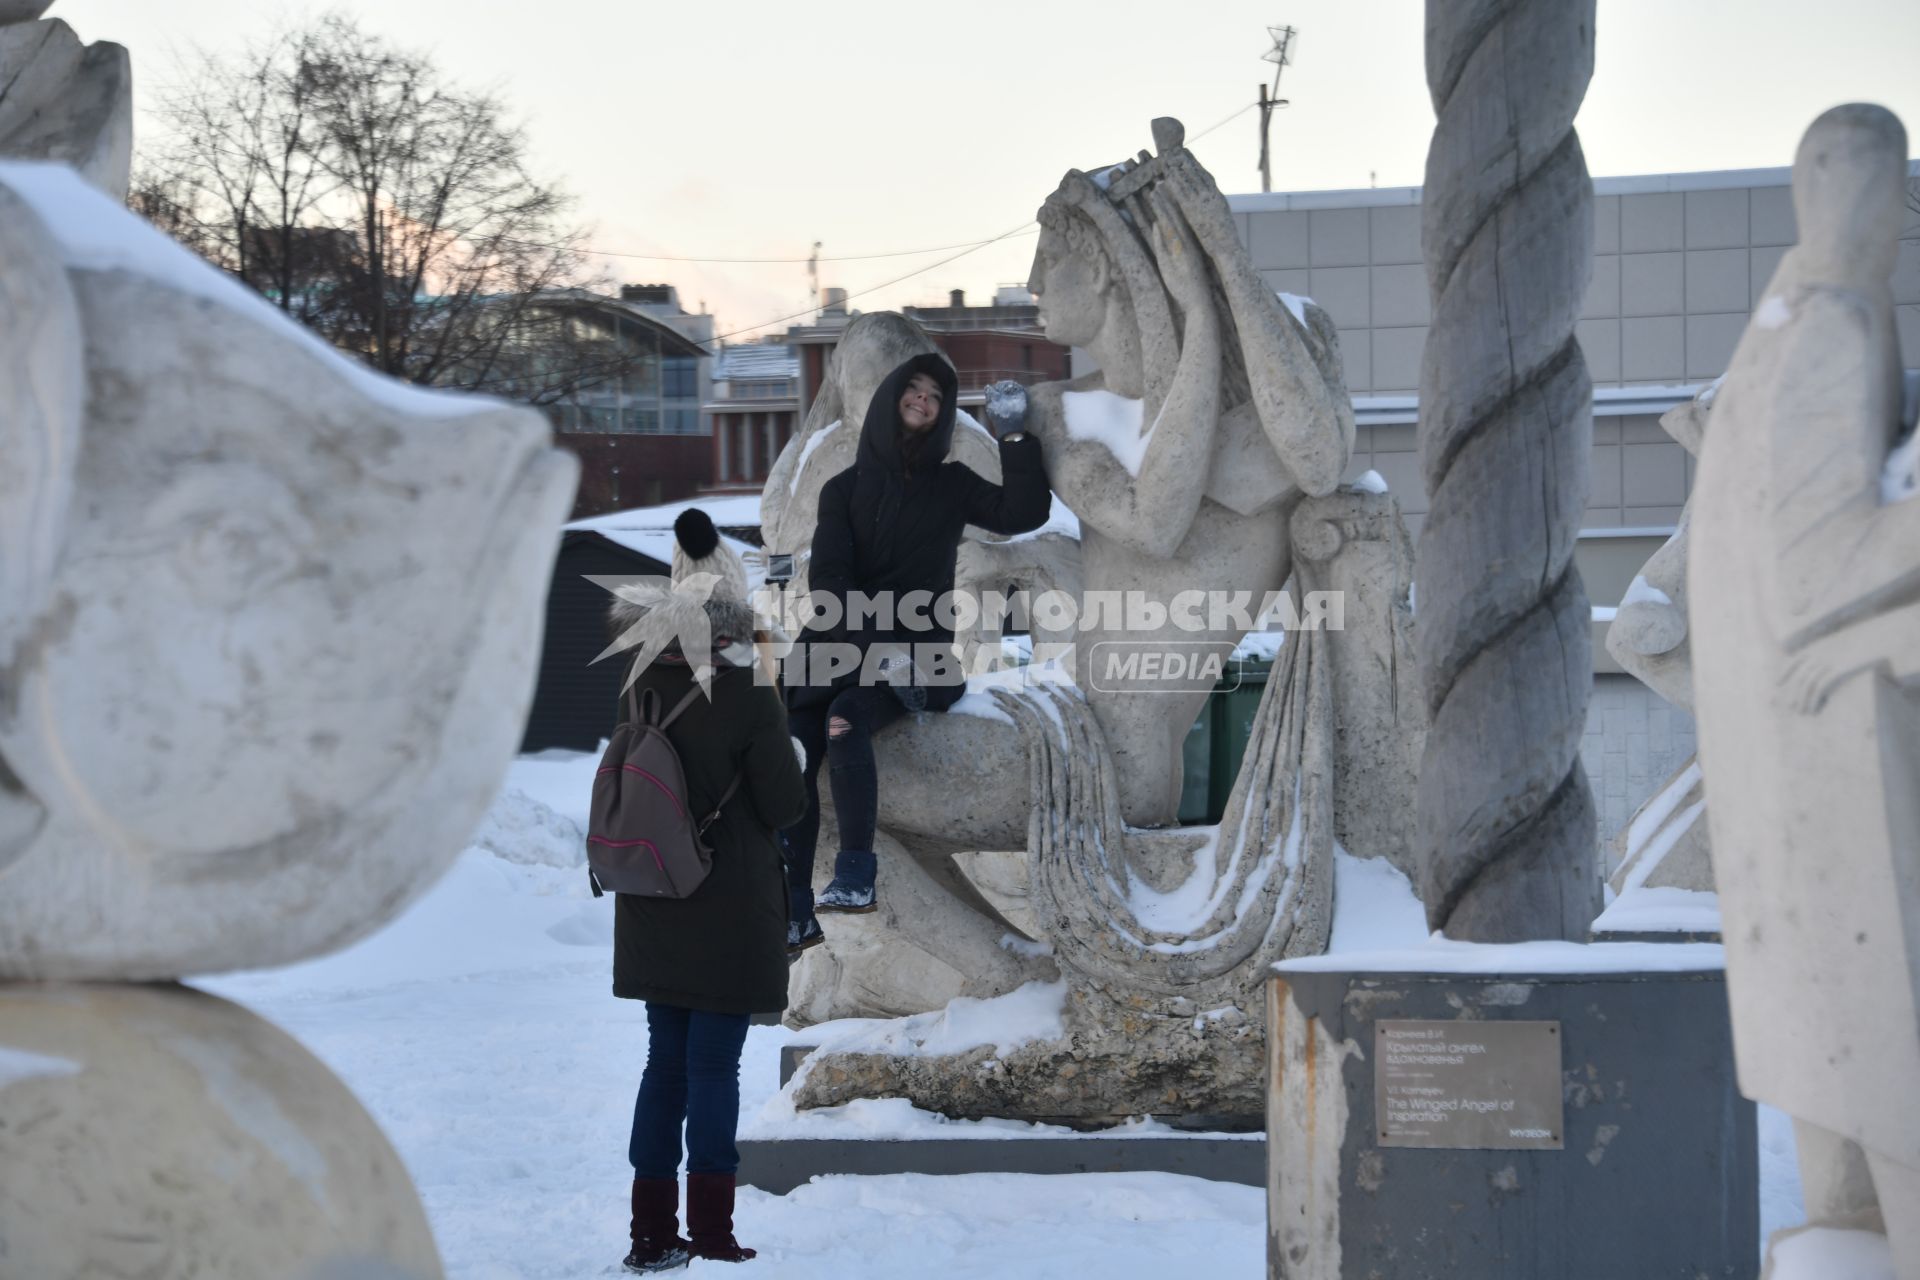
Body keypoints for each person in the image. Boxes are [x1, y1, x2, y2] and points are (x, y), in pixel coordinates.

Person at [783, 352, 1049, 946]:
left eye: (935, 396)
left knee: (847, 718)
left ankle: (857, 874)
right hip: (836, 642)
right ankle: (793, 909)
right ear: (891, 399)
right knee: (793, 751)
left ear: (943, 413)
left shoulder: (951, 485)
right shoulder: (842, 490)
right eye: (915, 389)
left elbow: (1023, 511)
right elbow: (829, 581)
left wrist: (1014, 435)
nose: (924, 401)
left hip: (916, 651)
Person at [606, 509, 808, 1273]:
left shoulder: (636, 684)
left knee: (665, 1062)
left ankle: (651, 1234)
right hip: (726, 905)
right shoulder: (748, 690)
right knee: (712, 1067)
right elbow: (783, 804)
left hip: (654, 897)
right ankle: (713, 1231)